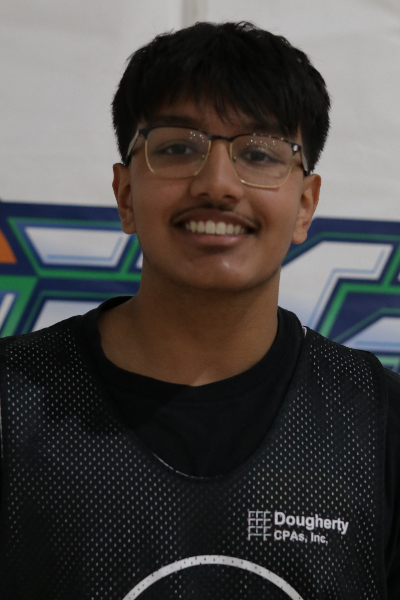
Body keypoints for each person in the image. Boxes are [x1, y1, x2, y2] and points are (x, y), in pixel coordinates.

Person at [0, 21, 399, 600]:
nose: (218, 185)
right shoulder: (12, 403)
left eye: (259, 153)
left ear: (305, 205)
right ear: (125, 194)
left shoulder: (380, 424)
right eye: (178, 148)